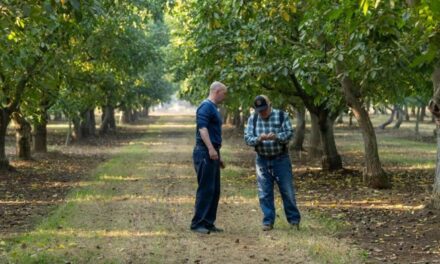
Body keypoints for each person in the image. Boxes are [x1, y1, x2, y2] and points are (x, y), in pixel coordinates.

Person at [244, 95, 301, 231]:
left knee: (287, 191)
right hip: (262, 159)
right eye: (260, 110)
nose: (262, 113)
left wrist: (277, 137)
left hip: (280, 158)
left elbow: (289, 133)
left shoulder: (282, 116)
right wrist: (259, 139)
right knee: (264, 192)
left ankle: (294, 221)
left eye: (264, 109)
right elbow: (247, 138)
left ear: (270, 105)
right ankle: (268, 221)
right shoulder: (253, 118)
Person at [190, 81, 228, 234]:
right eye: (224, 93)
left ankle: (208, 222)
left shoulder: (213, 107)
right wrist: (211, 149)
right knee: (206, 189)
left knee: (214, 190)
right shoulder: (206, 106)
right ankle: (197, 223)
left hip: (212, 153)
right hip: (205, 152)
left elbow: (213, 132)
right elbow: (203, 128)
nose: (224, 97)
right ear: (217, 91)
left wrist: (218, 155)